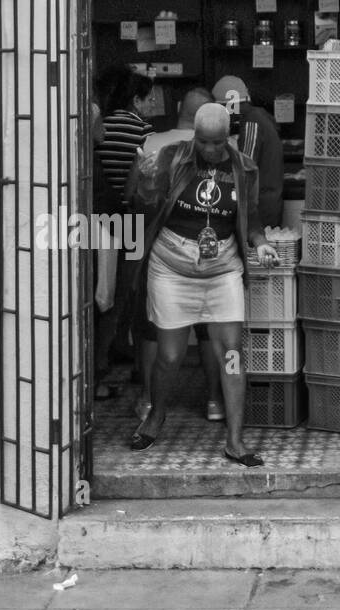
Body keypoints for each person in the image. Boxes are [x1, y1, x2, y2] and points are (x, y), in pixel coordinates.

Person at [124, 103, 281, 468]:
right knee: (171, 356)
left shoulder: (244, 167)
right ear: (194, 135)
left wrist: (261, 243)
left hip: (222, 268)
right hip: (171, 269)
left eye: (217, 142)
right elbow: (144, 205)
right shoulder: (172, 157)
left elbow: (251, 216)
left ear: (228, 137)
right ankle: (156, 414)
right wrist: (148, 182)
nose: (210, 150)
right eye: (203, 141)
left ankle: (235, 440)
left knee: (231, 353)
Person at [130, 87, 219, 424]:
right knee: (209, 327)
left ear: (181, 107)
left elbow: (131, 196)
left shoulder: (152, 142)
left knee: (154, 328)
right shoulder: (223, 148)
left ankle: (149, 401)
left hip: (160, 250)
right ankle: (214, 401)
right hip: (208, 250)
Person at [93, 66, 156, 400]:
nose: (150, 107)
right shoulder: (140, 129)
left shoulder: (100, 124)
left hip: (98, 219)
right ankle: (106, 367)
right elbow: (140, 179)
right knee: (125, 296)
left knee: (100, 293)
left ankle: (101, 360)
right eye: (148, 100)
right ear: (136, 99)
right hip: (128, 218)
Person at [211, 75, 284, 228]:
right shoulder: (260, 117)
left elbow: (245, 166)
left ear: (228, 106)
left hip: (259, 208)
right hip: (267, 203)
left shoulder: (252, 122)